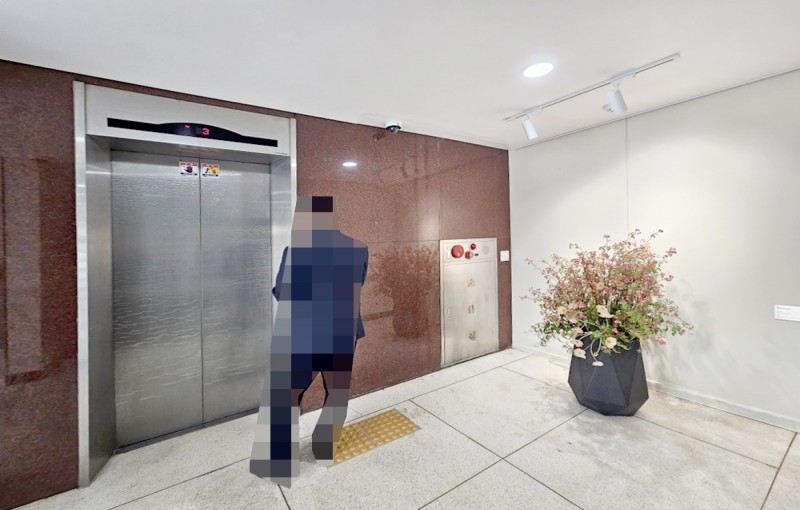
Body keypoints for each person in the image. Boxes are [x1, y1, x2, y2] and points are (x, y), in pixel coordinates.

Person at [250, 195, 368, 488]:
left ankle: (280, 463)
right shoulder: (359, 248)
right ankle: (325, 449)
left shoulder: (296, 250)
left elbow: (281, 291)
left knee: (287, 394)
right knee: (336, 391)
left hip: (304, 333)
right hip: (345, 330)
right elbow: (358, 283)